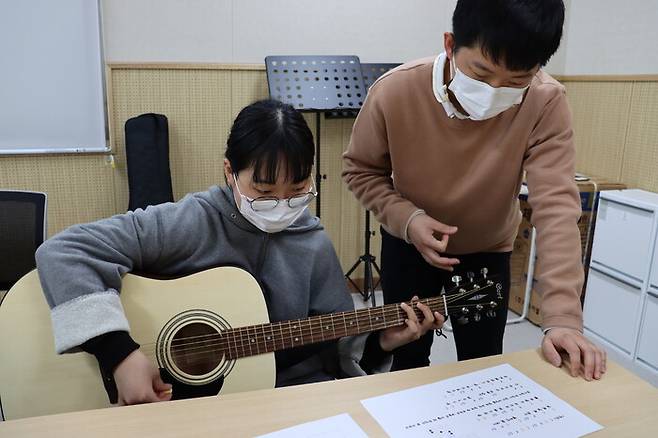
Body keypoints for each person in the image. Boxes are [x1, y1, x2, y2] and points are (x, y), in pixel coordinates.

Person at [35, 99, 443, 406]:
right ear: (229, 171)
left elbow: (335, 350)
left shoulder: (313, 240)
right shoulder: (190, 220)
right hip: (186, 405)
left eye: (298, 191)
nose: (282, 206)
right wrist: (119, 354)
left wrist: (380, 343)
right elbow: (65, 252)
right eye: (264, 193)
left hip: (285, 397)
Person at [342, 0, 606, 381]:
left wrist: (563, 319)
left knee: (482, 367)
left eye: (517, 81)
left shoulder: (546, 100)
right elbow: (361, 170)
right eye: (481, 72)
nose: (494, 91)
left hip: (488, 250)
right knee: (406, 365)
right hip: (409, 245)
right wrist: (407, 219)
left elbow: (557, 209)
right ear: (450, 44)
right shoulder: (395, 90)